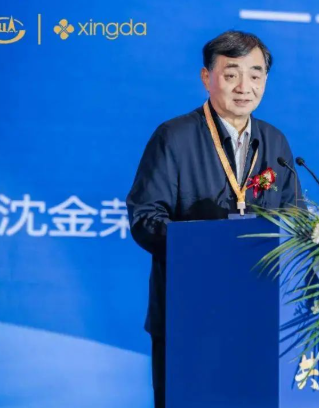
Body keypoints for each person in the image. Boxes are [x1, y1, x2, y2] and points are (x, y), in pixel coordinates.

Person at [126, 30, 304, 408]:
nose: (244, 87)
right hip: (189, 314)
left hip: (261, 317)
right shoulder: (174, 137)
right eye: (231, 74)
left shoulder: (275, 143)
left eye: (255, 75)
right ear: (206, 77)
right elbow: (144, 218)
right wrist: (206, 243)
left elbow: (295, 220)